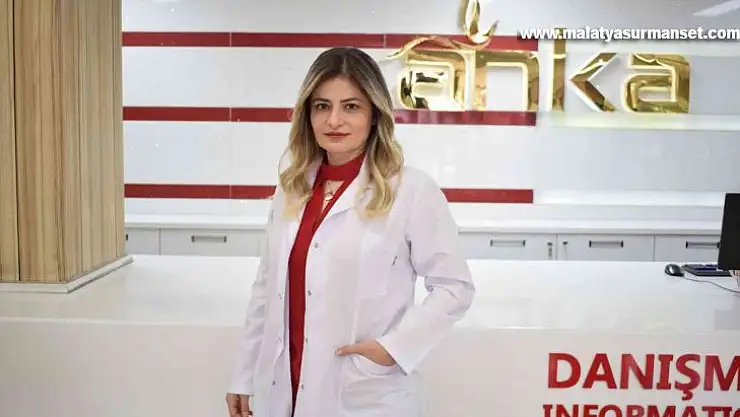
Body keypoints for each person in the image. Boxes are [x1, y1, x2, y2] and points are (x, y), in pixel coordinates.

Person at [225, 47, 475, 417]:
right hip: (283, 386)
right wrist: (244, 375)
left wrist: (395, 348)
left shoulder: (411, 190)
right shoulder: (292, 188)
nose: (334, 120)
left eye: (351, 107)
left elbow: (455, 287)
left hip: (364, 393)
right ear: (308, 114)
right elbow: (266, 289)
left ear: (374, 115)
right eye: (322, 106)